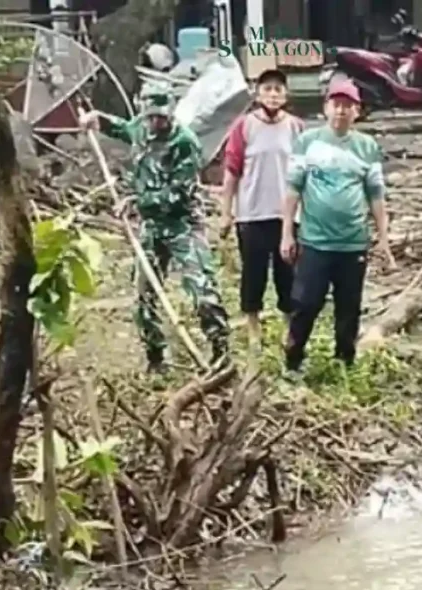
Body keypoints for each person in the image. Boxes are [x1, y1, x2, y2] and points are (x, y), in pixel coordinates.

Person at [79, 81, 230, 372]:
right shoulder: (141, 127)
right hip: (151, 227)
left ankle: (220, 353)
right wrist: (96, 119)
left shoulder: (184, 143)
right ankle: (156, 360)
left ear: (171, 113)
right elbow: (122, 128)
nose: (155, 122)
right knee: (144, 296)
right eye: (151, 116)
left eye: (161, 116)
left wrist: (136, 201)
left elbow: (178, 194)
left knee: (203, 292)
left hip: (183, 224)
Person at [280, 79, 395, 377]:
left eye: (348, 106)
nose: (341, 111)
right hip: (315, 241)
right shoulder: (308, 142)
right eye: (336, 104)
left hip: (353, 243)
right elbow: (293, 189)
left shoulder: (366, 147)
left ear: (357, 111)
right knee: (305, 303)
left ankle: (344, 361)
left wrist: (383, 237)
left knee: (349, 307)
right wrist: (287, 233)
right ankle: (293, 359)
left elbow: (376, 195)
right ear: (326, 108)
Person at [219, 68, 304, 349]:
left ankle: (288, 327)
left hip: (287, 218)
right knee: (253, 274)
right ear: (257, 94)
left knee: (287, 275)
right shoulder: (244, 127)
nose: (273, 94)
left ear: (286, 94)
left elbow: (305, 172)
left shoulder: (296, 127)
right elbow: (231, 172)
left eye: (278, 89)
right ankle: (253, 329)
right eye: (267, 89)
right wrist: (226, 212)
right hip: (252, 214)